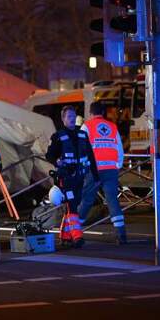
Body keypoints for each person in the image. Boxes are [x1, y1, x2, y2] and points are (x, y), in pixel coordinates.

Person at [46, 105, 99, 248]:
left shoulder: (82, 135)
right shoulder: (57, 136)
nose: (71, 119)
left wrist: (95, 174)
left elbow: (91, 156)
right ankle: (77, 237)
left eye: (73, 116)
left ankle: (65, 236)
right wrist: (57, 161)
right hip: (66, 177)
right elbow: (49, 155)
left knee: (72, 205)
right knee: (72, 206)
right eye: (68, 117)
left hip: (80, 177)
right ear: (63, 119)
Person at [78, 102, 127, 244]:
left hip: (93, 170)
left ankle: (74, 230)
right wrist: (117, 165)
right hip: (111, 170)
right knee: (113, 201)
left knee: (86, 200)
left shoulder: (86, 126)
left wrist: (82, 167)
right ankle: (121, 234)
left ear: (90, 112)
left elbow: (82, 149)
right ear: (103, 112)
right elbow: (119, 149)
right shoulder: (112, 127)